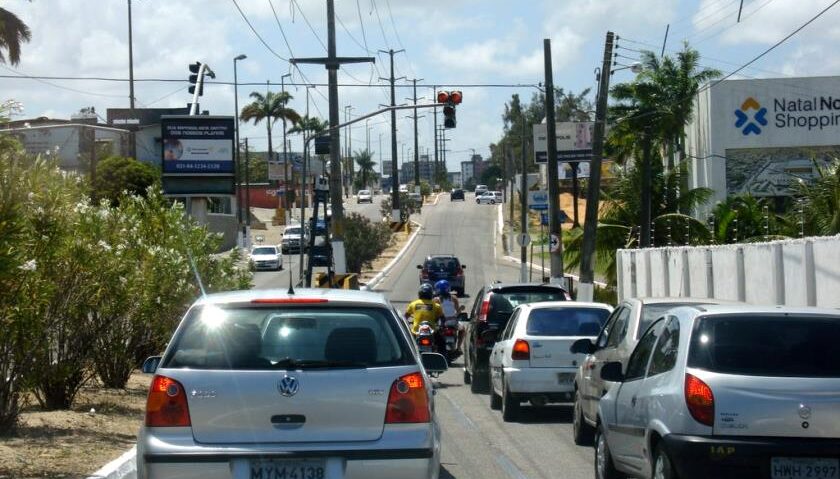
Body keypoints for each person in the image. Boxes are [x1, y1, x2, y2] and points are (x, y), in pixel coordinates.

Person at [405, 284, 445, 352]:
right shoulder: (436, 305)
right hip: (432, 331)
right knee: (442, 344)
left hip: (416, 332)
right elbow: (442, 318)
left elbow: (405, 317)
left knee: (407, 345)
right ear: (431, 294)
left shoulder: (413, 304)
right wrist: (442, 326)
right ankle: (445, 360)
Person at [434, 280, 465, 353]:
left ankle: (435, 348)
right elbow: (457, 311)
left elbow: (435, 313)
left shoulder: (436, 300)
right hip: (453, 323)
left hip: (442, 323)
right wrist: (460, 310)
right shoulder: (454, 298)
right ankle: (459, 347)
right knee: (463, 329)